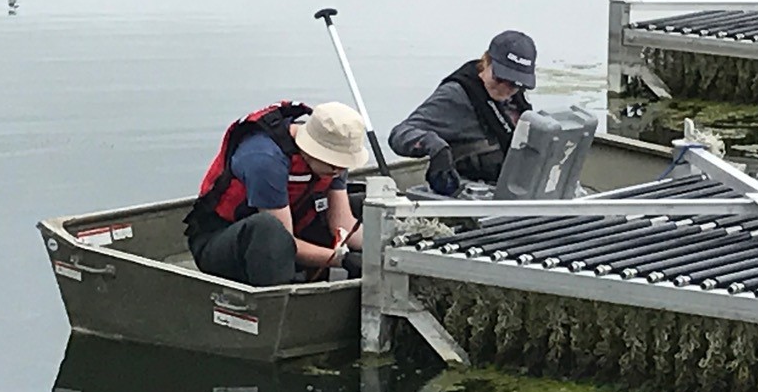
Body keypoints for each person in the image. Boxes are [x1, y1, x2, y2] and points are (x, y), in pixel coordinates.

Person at [184, 101, 369, 286]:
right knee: (268, 229)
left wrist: (378, 251)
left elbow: (343, 223)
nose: (338, 170)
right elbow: (284, 241)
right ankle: (279, 305)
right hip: (225, 243)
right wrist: (342, 259)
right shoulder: (264, 160)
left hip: (292, 227)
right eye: (332, 162)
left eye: (344, 163)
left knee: (367, 205)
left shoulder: (334, 163)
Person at [389, 30, 537, 195]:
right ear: (486, 61)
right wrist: (433, 145)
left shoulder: (517, 100)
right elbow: (399, 134)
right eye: (500, 78)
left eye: (514, 84)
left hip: (512, 192)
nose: (505, 89)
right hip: (469, 196)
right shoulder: (456, 95)